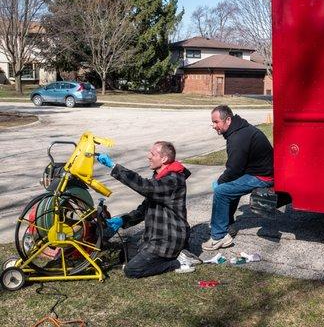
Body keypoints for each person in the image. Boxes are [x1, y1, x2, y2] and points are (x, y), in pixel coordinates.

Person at [97, 141, 200, 278]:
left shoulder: (173, 180)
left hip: (168, 238)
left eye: (153, 154)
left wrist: (114, 167)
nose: (148, 156)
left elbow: (144, 187)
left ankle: (178, 262)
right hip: (155, 237)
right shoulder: (160, 177)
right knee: (124, 254)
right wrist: (122, 220)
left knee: (132, 270)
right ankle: (176, 254)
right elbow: (144, 208)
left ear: (164, 159)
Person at [202, 105, 274, 251]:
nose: (214, 126)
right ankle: (227, 226)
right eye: (213, 122)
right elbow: (236, 169)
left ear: (228, 120)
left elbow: (234, 170)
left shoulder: (238, 137)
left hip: (263, 176)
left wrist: (219, 182)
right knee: (227, 188)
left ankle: (218, 237)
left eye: (216, 122)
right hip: (256, 171)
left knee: (222, 191)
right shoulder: (239, 130)